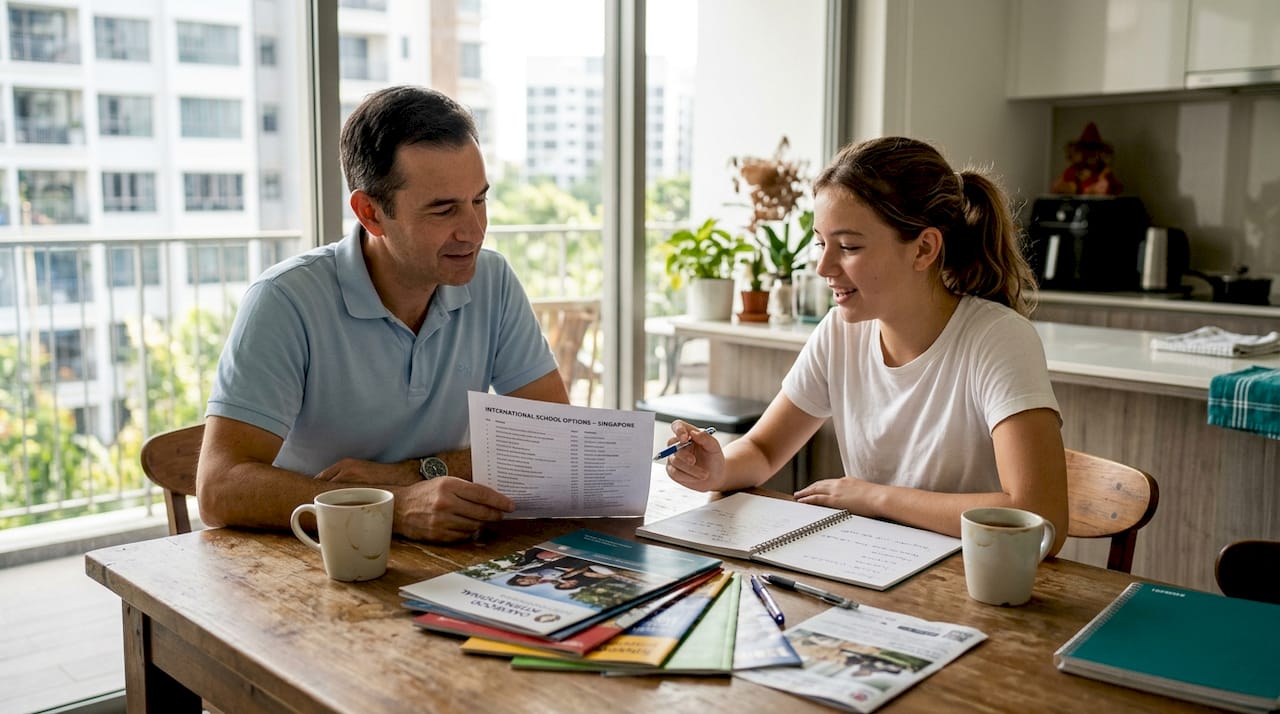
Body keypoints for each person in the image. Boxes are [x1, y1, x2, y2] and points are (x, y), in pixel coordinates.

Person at [196, 85, 569, 543]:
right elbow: (218, 488)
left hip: (448, 549)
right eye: (444, 209)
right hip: (316, 558)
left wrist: (407, 476)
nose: (473, 231)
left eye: (479, 200)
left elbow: (553, 437)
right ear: (370, 213)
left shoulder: (492, 279)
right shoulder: (285, 299)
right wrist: (390, 509)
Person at [663, 136, 1069, 552]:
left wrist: (874, 498)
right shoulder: (840, 331)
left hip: (970, 580)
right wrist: (718, 469)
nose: (823, 267)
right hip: (871, 566)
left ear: (924, 248)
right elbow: (765, 449)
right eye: (821, 243)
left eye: (849, 247)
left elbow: (1040, 516)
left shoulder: (997, 339)